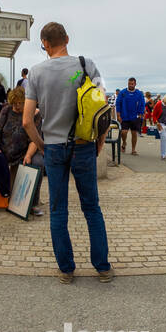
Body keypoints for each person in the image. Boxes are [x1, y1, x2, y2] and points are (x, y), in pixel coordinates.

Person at [21, 22, 113, 282]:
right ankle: (102, 267)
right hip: (84, 145)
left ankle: (66, 270)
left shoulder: (36, 73)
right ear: (67, 39)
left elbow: (27, 121)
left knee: (58, 210)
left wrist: (41, 145)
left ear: (45, 44)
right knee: (91, 208)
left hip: (53, 147)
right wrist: (100, 140)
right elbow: (102, 108)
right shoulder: (86, 65)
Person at [0, 85, 31, 199]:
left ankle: (30, 202)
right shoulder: (6, 110)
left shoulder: (29, 112)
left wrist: (28, 154)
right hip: (4, 151)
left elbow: (33, 139)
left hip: (21, 154)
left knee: (14, 194)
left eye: (20, 103)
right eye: (14, 103)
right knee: (5, 189)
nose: (17, 106)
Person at [113, 77, 146, 167]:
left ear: (135, 84)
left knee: (134, 133)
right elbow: (118, 104)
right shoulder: (123, 93)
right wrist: (118, 115)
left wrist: (140, 113)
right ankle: (124, 143)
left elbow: (142, 103)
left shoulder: (139, 93)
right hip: (124, 116)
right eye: (129, 84)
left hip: (135, 117)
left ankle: (133, 150)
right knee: (124, 132)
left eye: (132, 84)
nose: (130, 85)